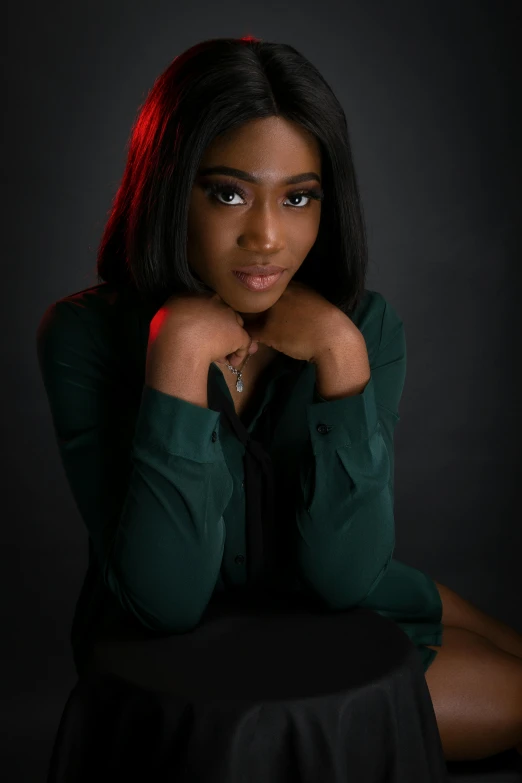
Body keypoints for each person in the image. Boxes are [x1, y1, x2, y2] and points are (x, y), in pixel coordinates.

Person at [36, 36, 522, 762]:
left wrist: (341, 357)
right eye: (228, 192)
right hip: (184, 656)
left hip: (341, 602)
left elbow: (346, 577)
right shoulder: (84, 334)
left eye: (297, 197)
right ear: (170, 185)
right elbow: (164, 602)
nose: (266, 236)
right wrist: (175, 358)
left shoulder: (359, 327)